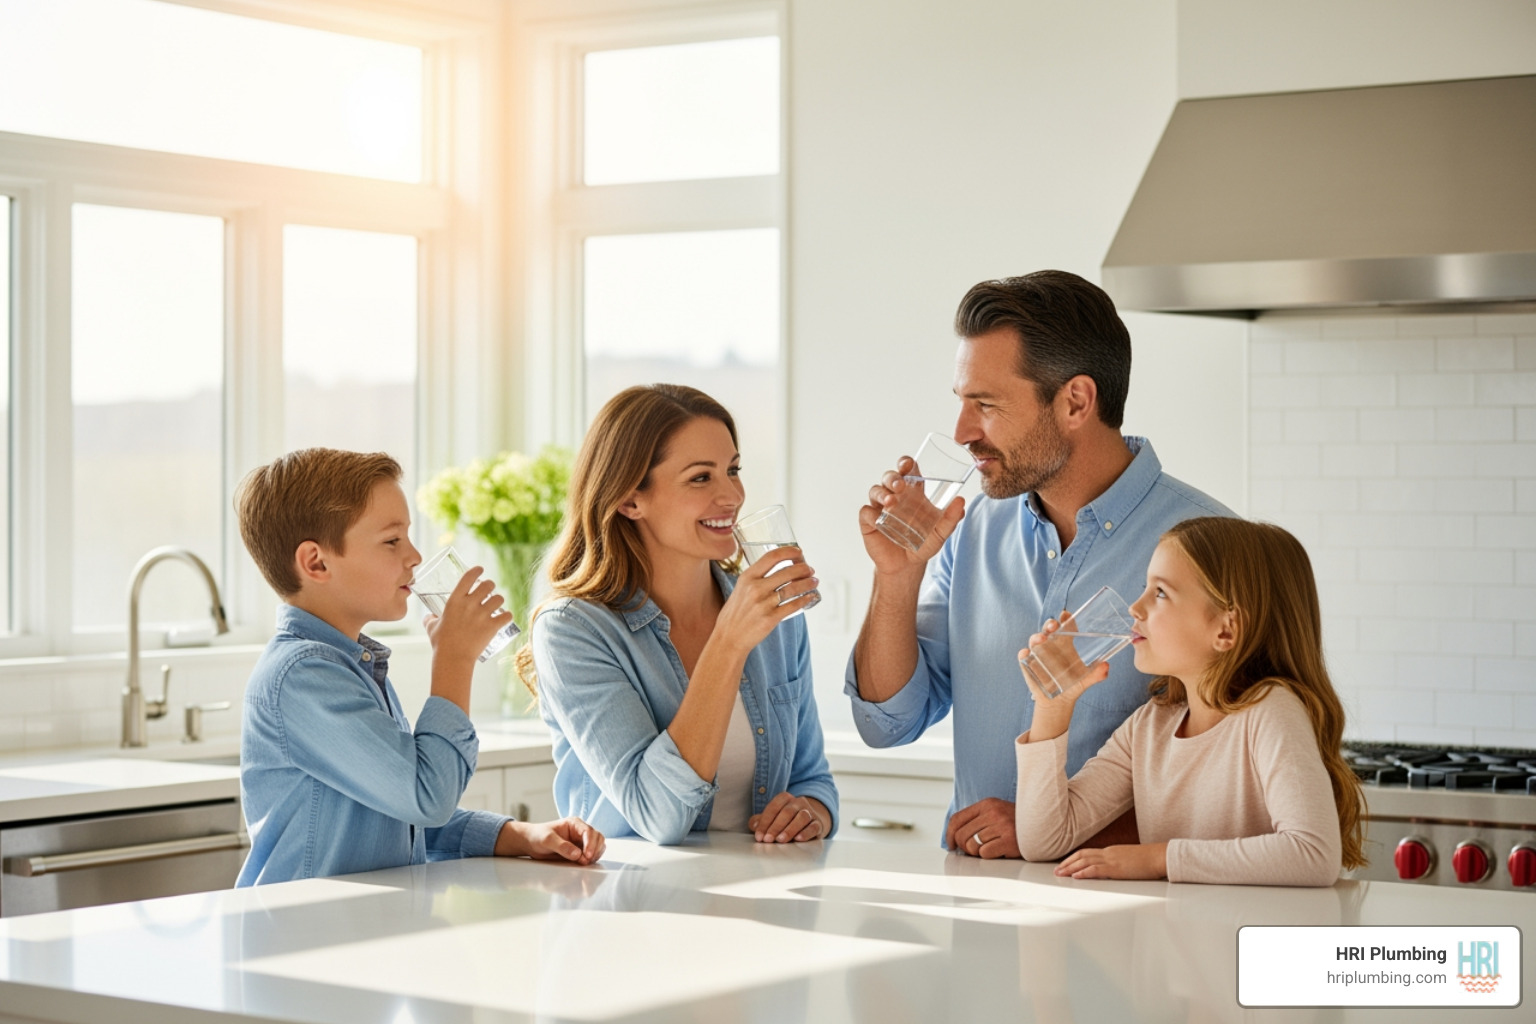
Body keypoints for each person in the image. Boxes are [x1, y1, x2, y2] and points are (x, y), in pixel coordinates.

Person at [849, 270, 1234, 858]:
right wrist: (897, 576)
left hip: (1134, 922)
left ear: (1075, 401)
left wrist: (1051, 826)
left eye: (986, 405)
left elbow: (1237, 779)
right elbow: (885, 724)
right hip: (978, 910)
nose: (962, 432)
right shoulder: (969, 531)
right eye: (961, 402)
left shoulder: (1215, 547)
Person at [233, 448, 604, 886]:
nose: (413, 556)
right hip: (304, 936)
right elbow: (426, 794)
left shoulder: (350, 665)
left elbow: (398, 809)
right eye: (392, 541)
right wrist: (454, 660)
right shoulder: (302, 676)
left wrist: (517, 835)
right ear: (317, 562)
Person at [520, 384, 838, 845]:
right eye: (701, 478)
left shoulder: (773, 616)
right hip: (633, 901)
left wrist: (812, 812)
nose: (732, 495)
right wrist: (728, 643)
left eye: (733, 470)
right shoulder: (572, 631)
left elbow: (813, 779)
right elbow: (657, 816)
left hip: (763, 892)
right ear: (631, 500)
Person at [1013, 517, 1366, 886]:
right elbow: (1044, 840)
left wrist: (1157, 857)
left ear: (1225, 630)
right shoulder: (1150, 727)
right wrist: (1053, 706)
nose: (1135, 607)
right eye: (1145, 588)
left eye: (1160, 593)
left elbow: (1313, 855)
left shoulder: (1270, 711)